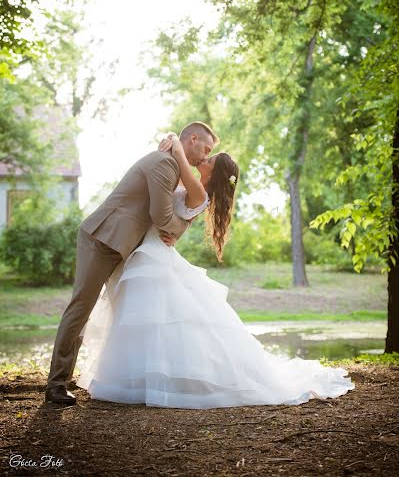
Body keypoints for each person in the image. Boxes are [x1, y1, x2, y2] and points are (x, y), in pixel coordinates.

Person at [75, 135, 355, 409]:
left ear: (214, 172)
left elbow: (176, 181)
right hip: (145, 249)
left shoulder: (198, 191)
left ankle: (161, 381)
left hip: (152, 254)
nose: (205, 157)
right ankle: (145, 377)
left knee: (154, 316)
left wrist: (175, 140)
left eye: (211, 158)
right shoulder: (192, 186)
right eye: (206, 152)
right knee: (145, 318)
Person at [45, 121, 218, 405]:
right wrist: (177, 230)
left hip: (123, 245)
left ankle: (117, 377)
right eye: (206, 148)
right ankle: (56, 385)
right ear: (193, 139)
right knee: (81, 307)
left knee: (124, 312)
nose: (205, 155)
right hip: (103, 238)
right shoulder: (165, 164)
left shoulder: (174, 167)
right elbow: (162, 218)